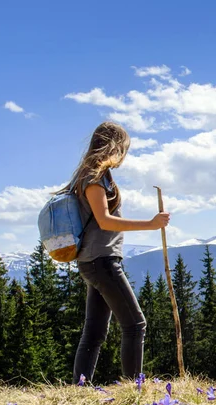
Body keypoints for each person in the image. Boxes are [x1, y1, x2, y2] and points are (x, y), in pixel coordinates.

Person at [63, 121, 170, 384]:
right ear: (115, 146)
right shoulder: (95, 177)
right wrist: (151, 224)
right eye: (123, 149)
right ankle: (134, 388)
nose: (124, 156)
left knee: (95, 331)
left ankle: (80, 386)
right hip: (102, 261)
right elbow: (105, 220)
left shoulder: (90, 174)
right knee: (135, 325)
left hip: (93, 261)